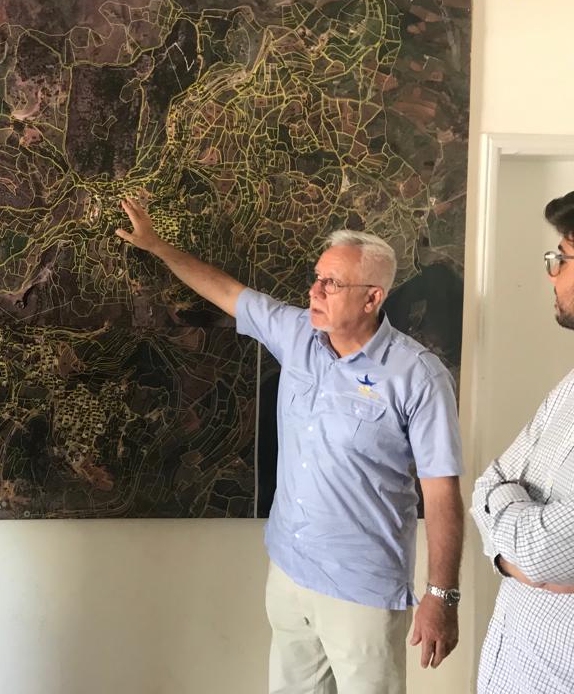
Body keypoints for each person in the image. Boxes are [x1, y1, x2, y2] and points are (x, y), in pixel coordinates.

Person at [116, 197, 464, 694]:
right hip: (289, 571)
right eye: (317, 277)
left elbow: (442, 493)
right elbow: (226, 290)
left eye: (331, 283)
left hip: (361, 592)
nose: (314, 291)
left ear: (372, 299)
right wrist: (156, 246)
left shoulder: (418, 377)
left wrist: (441, 595)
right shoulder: (297, 333)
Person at [470, 191, 574, 694]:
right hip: (513, 667)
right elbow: (485, 484)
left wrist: (515, 548)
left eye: (562, 258)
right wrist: (518, 558)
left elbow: (546, 551)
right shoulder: (568, 388)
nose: (552, 274)